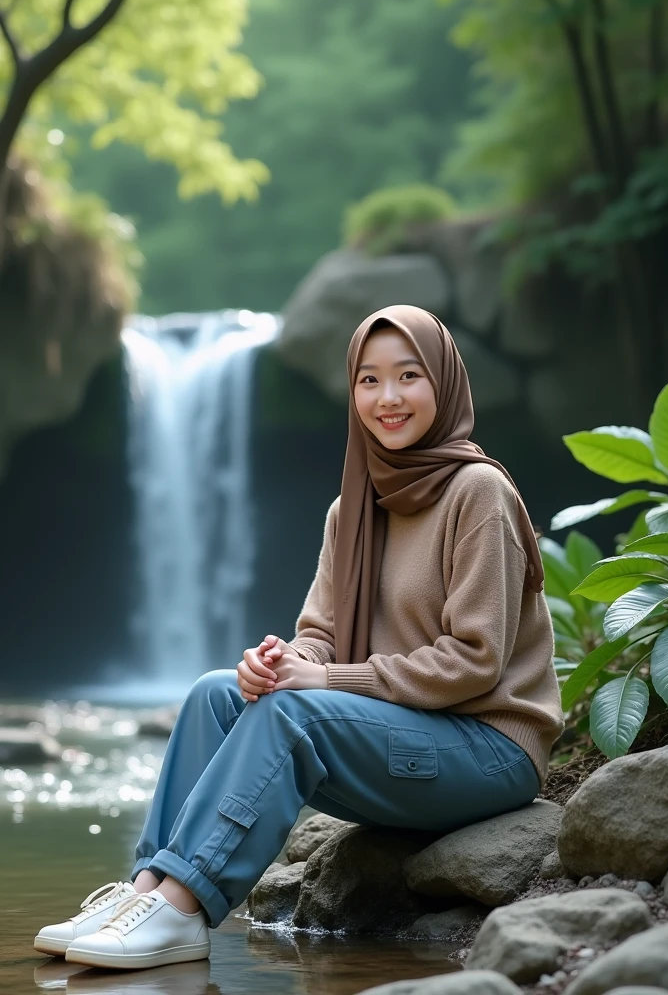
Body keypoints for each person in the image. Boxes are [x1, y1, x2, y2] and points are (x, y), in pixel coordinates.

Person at [34, 305, 564, 971]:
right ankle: (144, 891)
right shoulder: (353, 509)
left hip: (486, 750)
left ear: (447, 384)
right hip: (401, 737)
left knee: (291, 711)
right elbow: (320, 637)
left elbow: (475, 662)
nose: (388, 397)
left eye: (409, 376)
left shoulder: (477, 492)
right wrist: (281, 663)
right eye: (369, 381)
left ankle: (184, 906)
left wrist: (323, 680)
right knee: (215, 694)